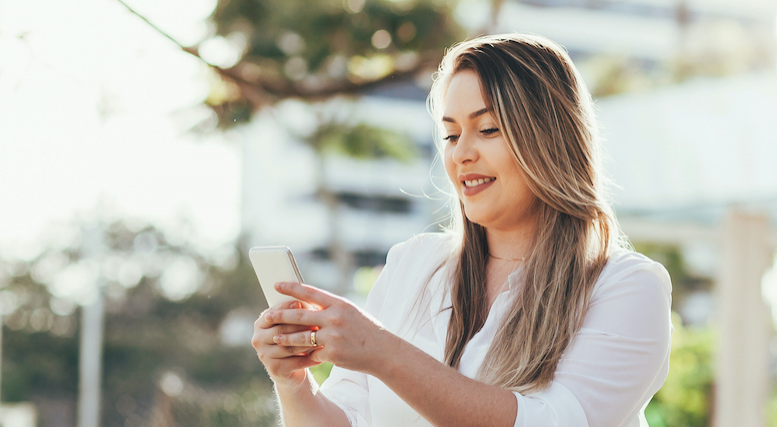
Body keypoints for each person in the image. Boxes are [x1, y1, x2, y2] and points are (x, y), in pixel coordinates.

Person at [250, 33, 673, 427]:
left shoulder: (627, 286)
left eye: (487, 129)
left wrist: (382, 352)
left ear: (549, 140)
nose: (461, 155)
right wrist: (294, 381)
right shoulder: (413, 264)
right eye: (451, 135)